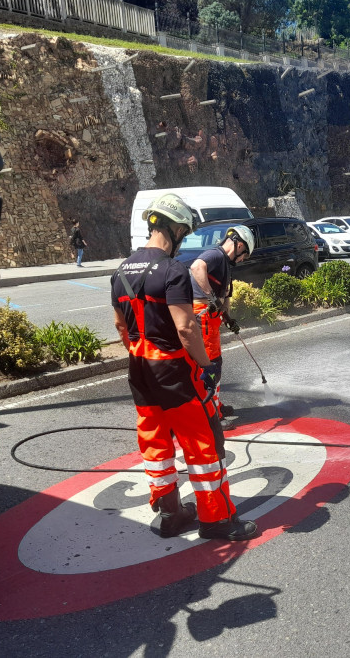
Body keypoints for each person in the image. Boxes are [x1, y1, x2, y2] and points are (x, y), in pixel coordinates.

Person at [110, 194, 258, 542]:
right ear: (175, 228)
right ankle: (216, 520)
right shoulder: (171, 270)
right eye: (184, 233)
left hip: (139, 371)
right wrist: (205, 368)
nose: (183, 241)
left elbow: (120, 326)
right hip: (174, 371)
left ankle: (171, 514)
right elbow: (186, 328)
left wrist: (140, 352)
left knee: (155, 441)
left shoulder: (120, 272)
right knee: (203, 443)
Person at [189, 224, 254, 427]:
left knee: (215, 364)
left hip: (213, 318)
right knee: (210, 366)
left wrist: (228, 318)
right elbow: (196, 267)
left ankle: (215, 406)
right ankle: (210, 415)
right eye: (244, 255)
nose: (242, 259)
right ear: (239, 245)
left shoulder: (224, 264)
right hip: (204, 316)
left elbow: (224, 296)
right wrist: (211, 297)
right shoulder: (215, 255)